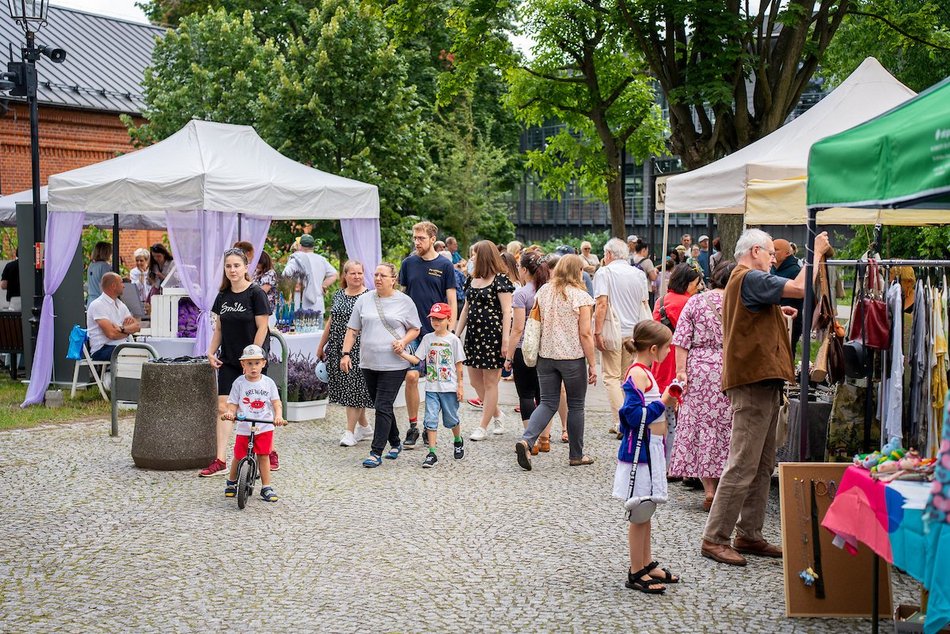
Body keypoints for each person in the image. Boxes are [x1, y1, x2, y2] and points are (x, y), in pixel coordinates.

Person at [701, 228, 830, 566]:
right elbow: (801, 289)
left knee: (760, 464)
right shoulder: (750, 277)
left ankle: (749, 534)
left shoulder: (747, 280)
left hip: (762, 381)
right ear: (755, 251)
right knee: (744, 463)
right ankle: (715, 537)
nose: (774, 259)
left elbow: (752, 320)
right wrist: (814, 253)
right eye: (771, 253)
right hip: (754, 382)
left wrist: (777, 314)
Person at [613, 320, 679, 594]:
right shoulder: (638, 374)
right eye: (666, 348)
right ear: (653, 349)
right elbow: (631, 415)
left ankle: (646, 562)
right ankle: (635, 570)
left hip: (650, 450)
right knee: (639, 512)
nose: (668, 352)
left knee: (647, 510)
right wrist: (663, 402)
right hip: (640, 452)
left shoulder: (645, 372)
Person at [515, 254, 597, 470]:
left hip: (546, 356)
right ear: (576, 272)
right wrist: (593, 364)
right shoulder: (581, 297)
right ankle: (576, 455)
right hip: (572, 358)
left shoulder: (544, 291)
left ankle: (527, 440)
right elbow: (586, 334)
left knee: (547, 402)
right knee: (576, 405)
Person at [669, 262, 736, 511]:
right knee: (727, 427)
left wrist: (681, 372)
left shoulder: (695, 302)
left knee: (701, 426)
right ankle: (725, 488)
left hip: (699, 369)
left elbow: (681, 340)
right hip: (729, 367)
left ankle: (709, 491)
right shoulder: (737, 302)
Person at [341, 263, 421, 468]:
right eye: (375, 274)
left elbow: (415, 329)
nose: (378, 278)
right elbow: (352, 329)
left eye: (383, 275)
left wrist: (403, 343)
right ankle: (395, 442)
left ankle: (376, 452)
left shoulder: (404, 301)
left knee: (383, 405)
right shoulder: (364, 299)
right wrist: (346, 354)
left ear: (393, 279)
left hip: (394, 363)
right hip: (368, 361)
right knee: (380, 404)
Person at [201, 247, 272, 478]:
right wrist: (211, 351)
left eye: (237, 265)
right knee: (223, 407)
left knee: (255, 408)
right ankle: (220, 459)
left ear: (245, 268)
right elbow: (219, 328)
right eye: (228, 266)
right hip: (230, 359)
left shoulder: (255, 293)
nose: (232, 270)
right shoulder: (222, 296)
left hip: (253, 360)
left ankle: (269, 451)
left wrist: (254, 355)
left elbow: (263, 326)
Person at [398, 221, 457, 449]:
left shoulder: (445, 265)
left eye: (421, 238)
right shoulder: (408, 263)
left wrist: (449, 329)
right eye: (415, 238)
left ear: (433, 239)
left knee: (434, 383)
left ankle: (428, 426)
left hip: (436, 333)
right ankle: (413, 426)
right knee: (412, 377)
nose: (417, 242)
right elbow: (402, 296)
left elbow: (451, 298)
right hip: (413, 332)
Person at [456, 240, 514, 441]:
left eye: (475, 254)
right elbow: (466, 308)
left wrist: (505, 340)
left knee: (491, 383)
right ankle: (497, 413)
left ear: (484, 256)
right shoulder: (471, 279)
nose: (472, 258)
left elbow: (507, 312)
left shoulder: (500, 280)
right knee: (474, 381)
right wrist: (456, 334)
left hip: (493, 337)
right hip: (473, 336)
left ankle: (483, 425)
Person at [593, 238, 649, 436]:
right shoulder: (638, 274)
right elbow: (644, 303)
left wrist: (597, 331)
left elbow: (601, 304)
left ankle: (620, 421)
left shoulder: (604, 273)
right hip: (634, 332)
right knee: (628, 378)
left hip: (613, 331)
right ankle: (630, 418)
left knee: (611, 377)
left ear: (608, 254)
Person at [399, 302, 465, 468]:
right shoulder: (428, 339)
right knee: (430, 419)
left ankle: (457, 440)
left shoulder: (453, 340)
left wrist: (460, 386)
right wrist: (403, 354)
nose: (436, 322)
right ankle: (432, 453)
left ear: (449, 320)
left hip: (449, 388)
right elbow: (418, 359)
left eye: (440, 319)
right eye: (433, 319)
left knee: (451, 420)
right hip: (432, 388)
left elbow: (458, 365)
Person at [317, 260, 373, 447]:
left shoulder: (369, 296)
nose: (357, 276)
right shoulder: (339, 294)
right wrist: (321, 345)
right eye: (353, 273)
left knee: (354, 389)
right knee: (348, 390)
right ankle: (364, 427)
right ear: (345, 275)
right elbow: (331, 321)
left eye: (360, 273)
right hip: (336, 347)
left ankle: (349, 432)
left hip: (358, 349)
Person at [221, 344, 286, 503]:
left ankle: (266, 487)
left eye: (257, 363)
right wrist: (230, 412)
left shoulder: (268, 383)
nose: (253, 367)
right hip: (245, 425)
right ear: (243, 364)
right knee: (238, 455)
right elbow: (233, 403)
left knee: (264, 456)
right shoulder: (239, 383)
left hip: (264, 426)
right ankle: (231, 481)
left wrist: (278, 416)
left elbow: (276, 402)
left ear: (263, 363)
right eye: (249, 363)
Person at [505, 250, 555, 451]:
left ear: (525, 270)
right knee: (544, 396)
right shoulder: (550, 291)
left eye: (519, 267)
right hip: (547, 349)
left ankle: (530, 441)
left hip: (524, 349)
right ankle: (545, 439)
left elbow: (517, 329)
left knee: (526, 395)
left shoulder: (521, 294)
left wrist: (508, 357)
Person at [651, 263, 701, 393]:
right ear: (687, 283)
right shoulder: (690, 303)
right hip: (681, 359)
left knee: (662, 398)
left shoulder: (660, 301)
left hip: (661, 358)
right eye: (696, 283)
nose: (698, 288)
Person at [281, 234, 339, 320]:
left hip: (300, 306)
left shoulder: (296, 259)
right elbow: (334, 274)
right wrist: (323, 285)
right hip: (318, 306)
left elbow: (285, 275)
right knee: (318, 333)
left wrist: (294, 284)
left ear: (300, 246)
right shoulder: (321, 259)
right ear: (313, 246)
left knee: (301, 332)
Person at [86, 273, 141, 361]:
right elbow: (111, 334)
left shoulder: (120, 303)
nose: (124, 286)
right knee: (136, 353)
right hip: (102, 349)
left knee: (143, 351)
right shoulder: (98, 305)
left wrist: (121, 329)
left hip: (120, 346)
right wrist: (127, 331)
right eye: (121, 283)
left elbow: (137, 327)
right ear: (113, 286)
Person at [771, 238, 803, 357]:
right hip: (774, 318)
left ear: (787, 253)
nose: (773, 253)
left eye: (776, 250)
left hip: (791, 320)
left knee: (787, 353)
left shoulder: (795, 271)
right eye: (771, 250)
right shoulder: (772, 269)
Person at [86, 241, 112, 307]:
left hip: (91, 301)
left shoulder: (91, 265)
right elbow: (107, 286)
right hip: (101, 302)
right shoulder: (104, 266)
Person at [253, 249, 279, 315]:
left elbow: (262, 291)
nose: (256, 265)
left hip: (266, 306)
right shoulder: (257, 272)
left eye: (258, 263)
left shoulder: (270, 273)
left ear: (264, 262)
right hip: (257, 305)